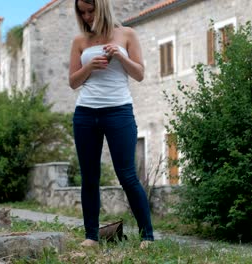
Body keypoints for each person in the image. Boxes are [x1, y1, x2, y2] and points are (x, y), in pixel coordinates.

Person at [69, 0, 154, 249]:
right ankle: (91, 236)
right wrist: (89, 66)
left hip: (119, 112)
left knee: (127, 176)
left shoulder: (127, 34)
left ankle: (147, 236)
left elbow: (139, 74)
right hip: (85, 114)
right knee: (90, 177)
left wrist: (119, 55)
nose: (86, 16)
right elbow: (73, 82)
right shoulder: (79, 41)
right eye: (82, 12)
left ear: (102, 7)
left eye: (90, 10)